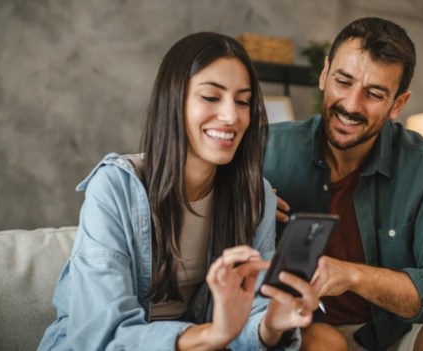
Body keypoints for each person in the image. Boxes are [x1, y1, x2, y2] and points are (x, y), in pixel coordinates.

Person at [38, 32, 320, 351]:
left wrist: (270, 325)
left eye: (242, 101)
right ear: (174, 100)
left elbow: (249, 319)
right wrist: (213, 335)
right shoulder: (115, 188)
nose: (231, 116)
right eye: (211, 97)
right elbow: (104, 333)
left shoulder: (256, 198)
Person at [264, 18, 423, 351]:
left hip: (390, 332)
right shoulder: (265, 152)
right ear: (324, 74)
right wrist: (249, 200)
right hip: (303, 332)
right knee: (324, 344)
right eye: (343, 81)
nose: (351, 105)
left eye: (374, 94)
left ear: (398, 104)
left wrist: (353, 275)